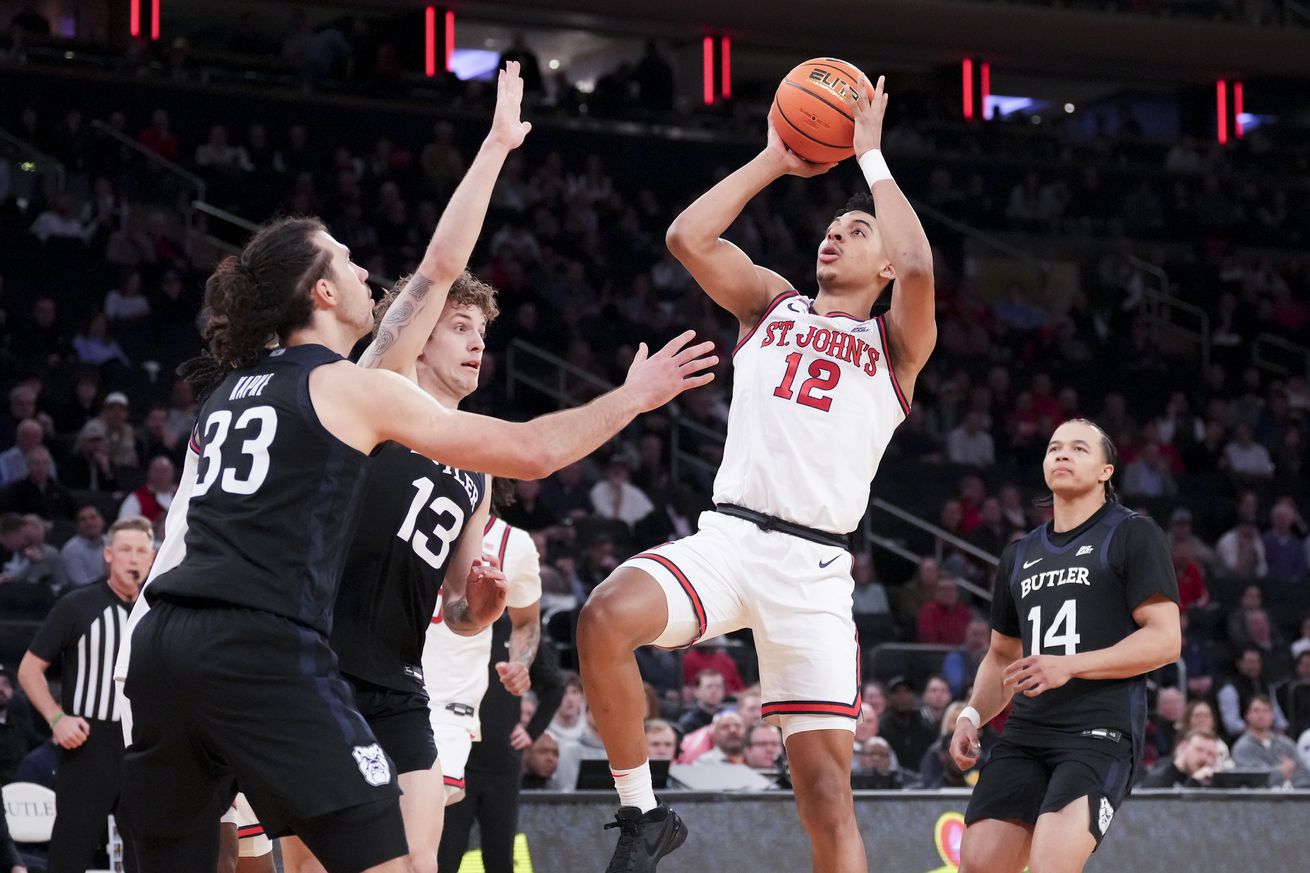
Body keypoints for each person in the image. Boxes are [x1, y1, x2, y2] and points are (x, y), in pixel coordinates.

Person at [117, 165, 716, 873]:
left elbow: (440, 268)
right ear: (322, 291)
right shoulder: (357, 387)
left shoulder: (235, 387)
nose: (365, 267)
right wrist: (633, 397)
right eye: (346, 258)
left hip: (178, 643)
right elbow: (532, 444)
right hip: (274, 647)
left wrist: (474, 611)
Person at [577, 74, 935, 873]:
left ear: (881, 271)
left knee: (826, 798)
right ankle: (641, 812)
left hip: (812, 570)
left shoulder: (896, 347)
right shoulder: (771, 304)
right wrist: (775, 158)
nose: (834, 237)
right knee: (603, 616)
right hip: (730, 538)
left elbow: (918, 262)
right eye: (831, 228)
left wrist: (872, 161)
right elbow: (687, 239)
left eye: (854, 232)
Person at [278, 61, 537, 873]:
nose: (474, 341)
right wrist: (495, 147)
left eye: (482, 334)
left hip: (397, 674)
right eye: (459, 326)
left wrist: (482, 608)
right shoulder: (379, 386)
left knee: (418, 864)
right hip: (314, 659)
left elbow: (458, 606)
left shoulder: (479, 465)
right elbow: (435, 262)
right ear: (422, 335)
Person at [951, 419, 1180, 873]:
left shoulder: (1133, 533)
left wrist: (1069, 666)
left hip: (1099, 732)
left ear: (1105, 471)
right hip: (1027, 734)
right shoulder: (1018, 554)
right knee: (979, 864)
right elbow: (1002, 655)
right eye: (1054, 447)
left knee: (1052, 865)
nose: (1062, 454)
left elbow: (1165, 639)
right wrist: (971, 715)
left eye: (1078, 448)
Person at [17, 517, 155, 873]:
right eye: (125, 550)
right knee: (71, 851)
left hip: (144, 745)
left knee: (147, 852)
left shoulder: (162, 611)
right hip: (89, 742)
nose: (133, 559)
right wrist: (57, 718)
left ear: (154, 557)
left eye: (141, 550)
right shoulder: (78, 605)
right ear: (108, 554)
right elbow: (29, 670)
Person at [1230, 696, 1310, 788]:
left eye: (1266, 711)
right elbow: (1252, 778)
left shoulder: (1286, 744)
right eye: (1256, 711)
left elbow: (1304, 774)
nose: (1261, 715)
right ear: (1247, 715)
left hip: (1293, 798)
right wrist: (1280, 772)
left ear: (1272, 715)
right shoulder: (1241, 748)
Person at [1137, 729, 1221, 788]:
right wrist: (1194, 782)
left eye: (1211, 754)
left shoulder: (1211, 784)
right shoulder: (1158, 779)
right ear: (1183, 747)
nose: (1204, 757)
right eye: (1199, 750)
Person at [60, 503, 108, 588]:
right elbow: (81, 585)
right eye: (83, 520)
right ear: (77, 526)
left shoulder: (111, 542)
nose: (89, 523)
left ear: (102, 521)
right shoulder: (71, 549)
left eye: (93, 517)